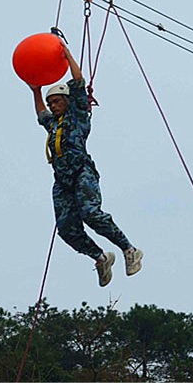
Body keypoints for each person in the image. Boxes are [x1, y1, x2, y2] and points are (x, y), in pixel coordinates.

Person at [28, 42, 143, 287]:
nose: (53, 106)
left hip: (82, 172)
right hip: (62, 182)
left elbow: (78, 82)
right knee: (67, 229)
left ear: (68, 101)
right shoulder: (54, 124)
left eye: (57, 101)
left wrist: (66, 54)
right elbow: (40, 115)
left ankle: (129, 249)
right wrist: (36, 90)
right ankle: (101, 258)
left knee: (91, 214)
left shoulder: (78, 114)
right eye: (52, 103)